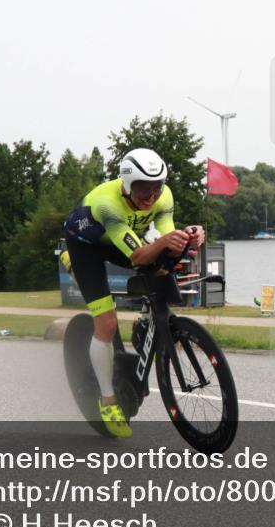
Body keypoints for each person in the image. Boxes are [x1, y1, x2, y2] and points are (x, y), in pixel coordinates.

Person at [61, 148, 205, 438]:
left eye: (156, 187)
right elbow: (139, 256)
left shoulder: (164, 196)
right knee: (107, 323)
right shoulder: (107, 204)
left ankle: (146, 324)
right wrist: (165, 242)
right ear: (126, 184)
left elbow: (164, 238)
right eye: (142, 188)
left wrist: (188, 238)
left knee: (161, 267)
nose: (151, 196)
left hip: (118, 240)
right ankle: (108, 401)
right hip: (85, 246)